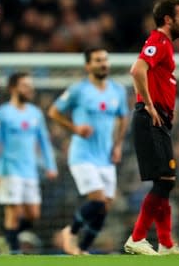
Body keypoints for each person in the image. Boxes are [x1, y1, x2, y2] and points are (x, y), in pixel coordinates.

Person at [123, 0, 179, 255]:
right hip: (151, 118)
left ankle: (165, 244)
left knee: (167, 180)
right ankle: (137, 237)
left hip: (159, 120)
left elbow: (141, 73)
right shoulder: (159, 41)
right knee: (164, 181)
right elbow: (136, 69)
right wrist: (149, 105)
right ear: (168, 19)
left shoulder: (165, 45)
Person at [48, 47, 129, 255]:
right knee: (98, 200)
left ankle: (82, 249)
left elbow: (123, 117)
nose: (103, 63)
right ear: (88, 66)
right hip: (82, 155)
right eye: (98, 60)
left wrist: (118, 145)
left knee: (104, 207)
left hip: (106, 156)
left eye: (105, 59)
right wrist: (75, 128)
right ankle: (70, 231)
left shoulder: (118, 90)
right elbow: (54, 112)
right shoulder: (78, 90)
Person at [0, 72, 58, 254]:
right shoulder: (3, 114)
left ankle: (6, 239)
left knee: (33, 214)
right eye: (25, 86)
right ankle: (13, 252)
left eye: (30, 86)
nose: (30, 89)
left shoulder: (35, 114)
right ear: (13, 88)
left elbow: (44, 141)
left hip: (30, 170)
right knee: (13, 211)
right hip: (9, 169)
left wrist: (50, 165)